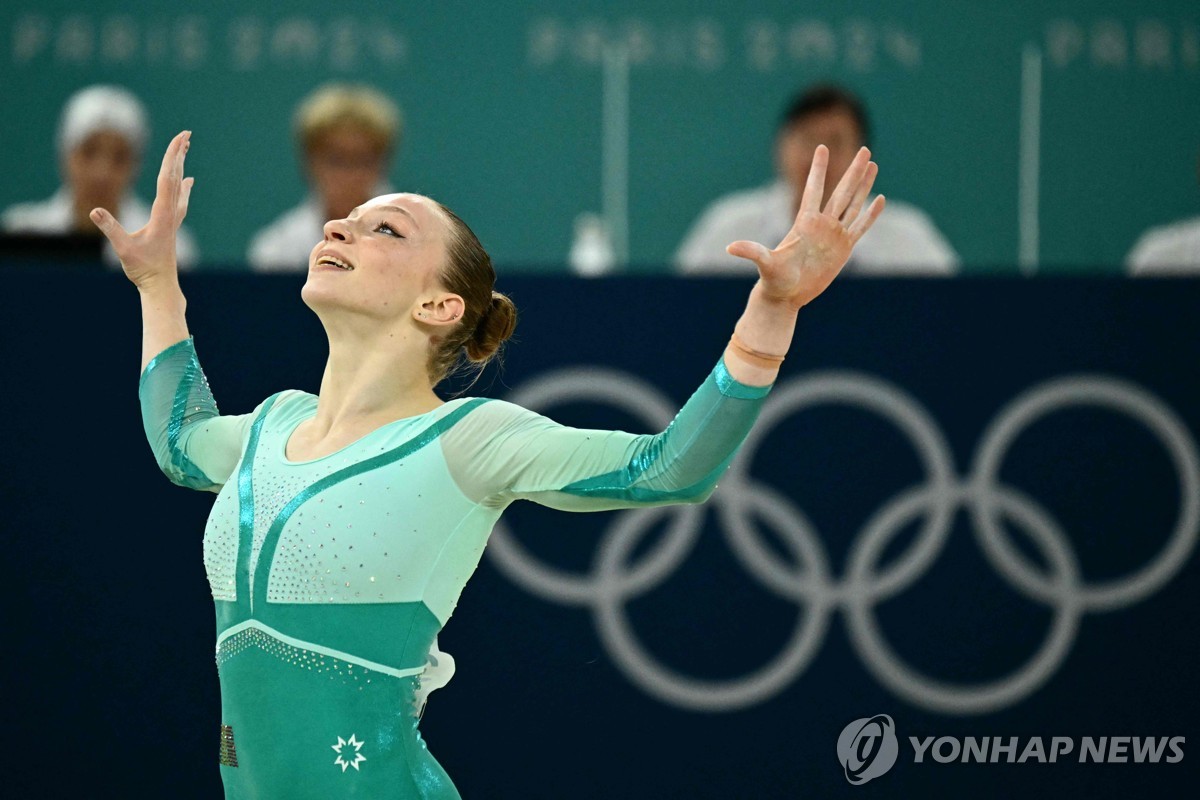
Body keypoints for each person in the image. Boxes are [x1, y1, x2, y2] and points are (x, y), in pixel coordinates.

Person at [92, 129, 885, 798]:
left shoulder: (469, 441)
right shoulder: (272, 425)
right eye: (346, 221)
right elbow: (178, 442)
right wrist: (157, 283)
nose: (338, 228)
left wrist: (772, 310)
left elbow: (669, 467)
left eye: (385, 229)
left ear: (439, 306)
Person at [674, 82, 957, 276]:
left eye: (836, 141)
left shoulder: (909, 238)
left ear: (863, 153)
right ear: (780, 146)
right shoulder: (728, 227)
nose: (819, 155)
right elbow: (678, 309)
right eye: (806, 139)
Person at [1, 84, 199, 270]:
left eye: (119, 157)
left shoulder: (170, 245)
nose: (102, 173)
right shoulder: (19, 232)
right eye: (89, 152)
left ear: (136, 165)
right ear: (65, 155)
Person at [247, 83, 401, 272]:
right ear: (309, 162)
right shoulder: (276, 250)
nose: (349, 174)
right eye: (336, 159)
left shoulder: (413, 243)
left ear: (383, 163)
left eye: (362, 160)